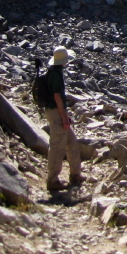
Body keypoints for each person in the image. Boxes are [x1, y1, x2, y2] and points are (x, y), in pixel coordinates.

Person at [44, 46, 84, 191]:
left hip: (56, 111)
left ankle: (75, 173)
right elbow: (57, 97)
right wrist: (64, 118)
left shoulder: (54, 71)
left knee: (71, 142)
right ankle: (52, 180)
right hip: (56, 112)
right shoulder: (55, 74)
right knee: (57, 146)